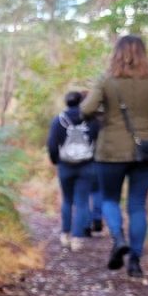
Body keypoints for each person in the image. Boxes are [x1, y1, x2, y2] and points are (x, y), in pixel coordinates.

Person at [80, 35, 148, 277]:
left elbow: (86, 109)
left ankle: (119, 238)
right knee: (137, 205)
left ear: (116, 53)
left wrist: (104, 114)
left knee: (110, 198)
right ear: (143, 52)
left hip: (111, 150)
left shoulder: (106, 80)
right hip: (147, 150)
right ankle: (135, 262)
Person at [47, 91, 99, 251]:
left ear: (66, 102)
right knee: (82, 202)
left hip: (65, 166)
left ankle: (65, 234)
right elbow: (99, 141)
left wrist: (56, 161)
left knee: (67, 200)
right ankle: (77, 238)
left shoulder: (59, 120)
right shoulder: (91, 120)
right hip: (87, 166)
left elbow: (51, 144)